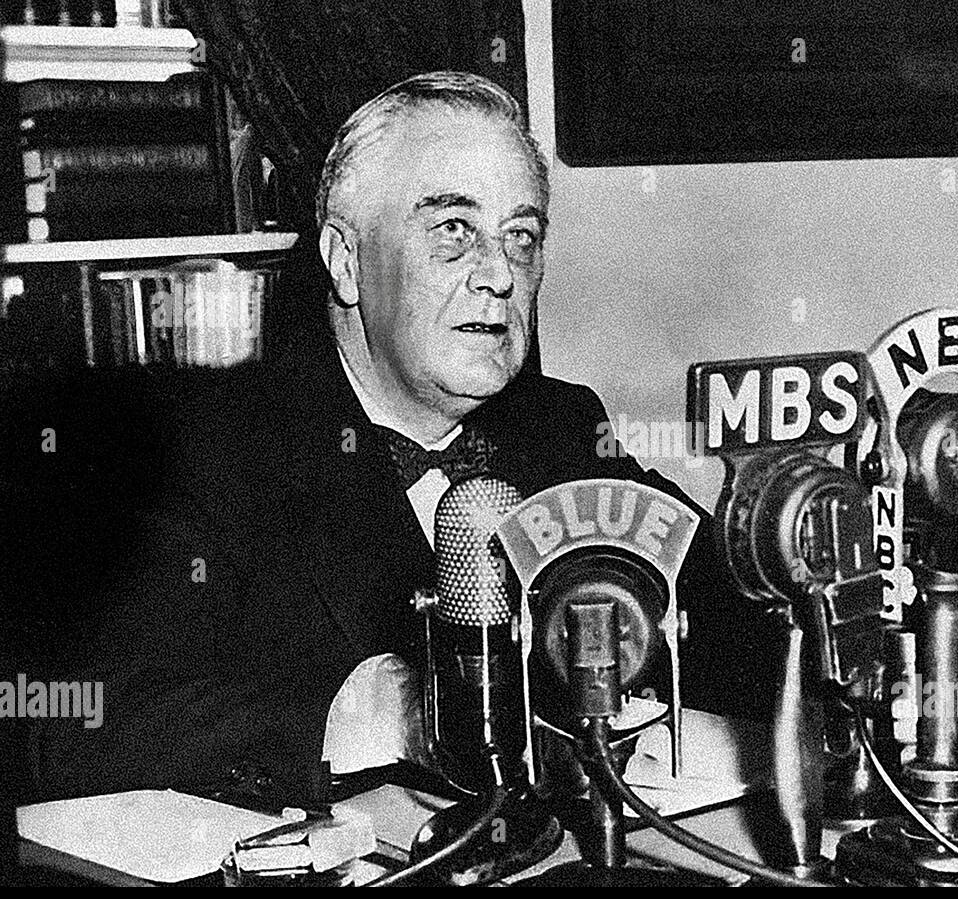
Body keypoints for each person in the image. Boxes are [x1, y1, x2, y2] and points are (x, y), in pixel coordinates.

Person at [32, 72, 778, 806]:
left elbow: (740, 621)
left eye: (521, 236)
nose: (499, 274)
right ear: (346, 261)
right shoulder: (202, 451)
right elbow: (69, 716)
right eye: (453, 230)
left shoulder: (562, 428)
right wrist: (375, 713)